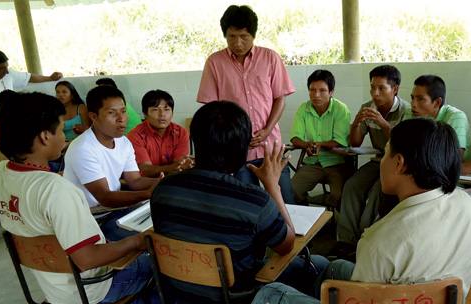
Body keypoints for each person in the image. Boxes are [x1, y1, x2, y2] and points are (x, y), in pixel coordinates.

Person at [246, 118, 471, 304]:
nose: (382, 161)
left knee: (268, 300)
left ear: (399, 163)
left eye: (384, 154)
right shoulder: (470, 208)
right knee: (334, 267)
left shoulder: (384, 238)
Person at [150, 101, 328, 304]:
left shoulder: (164, 190)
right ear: (243, 149)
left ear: (195, 142)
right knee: (320, 266)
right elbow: (287, 245)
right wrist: (273, 185)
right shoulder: (253, 200)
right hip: (238, 303)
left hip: (182, 297)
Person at [0, 90, 151, 304]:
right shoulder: (56, 189)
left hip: (53, 287)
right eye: (60, 129)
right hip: (94, 287)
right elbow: (87, 258)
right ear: (45, 136)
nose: (64, 137)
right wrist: (139, 241)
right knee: (164, 260)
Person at [197, 5, 296, 203]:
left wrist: (267, 129)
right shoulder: (214, 63)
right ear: (225, 35)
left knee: (285, 198)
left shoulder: (270, 58)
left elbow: (280, 98)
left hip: (271, 145)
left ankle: (291, 233)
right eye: (232, 36)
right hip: (237, 149)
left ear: (253, 35)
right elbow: (211, 109)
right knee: (249, 202)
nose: (238, 43)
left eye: (244, 36)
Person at [63, 85, 160, 241]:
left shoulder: (123, 142)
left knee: (164, 222)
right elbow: (105, 197)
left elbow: (135, 180)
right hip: (90, 217)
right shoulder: (82, 148)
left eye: (123, 111)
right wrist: (148, 194)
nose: (121, 119)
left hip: (115, 210)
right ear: (93, 116)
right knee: (151, 239)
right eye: (111, 113)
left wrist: (163, 183)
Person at [337, 64, 410, 247]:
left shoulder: (405, 111)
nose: (375, 93)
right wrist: (356, 123)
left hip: (398, 165)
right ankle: (346, 241)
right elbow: (355, 143)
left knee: (378, 190)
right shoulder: (367, 107)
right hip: (378, 161)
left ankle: (366, 240)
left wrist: (384, 124)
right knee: (352, 186)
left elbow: (404, 145)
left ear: (395, 89)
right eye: (372, 87)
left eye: (381, 88)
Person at [290, 70, 352, 208]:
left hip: (337, 164)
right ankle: (308, 218)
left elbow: (340, 140)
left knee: (338, 197)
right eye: (312, 90)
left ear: (331, 92)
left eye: (322, 90)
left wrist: (320, 145)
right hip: (313, 163)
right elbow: (295, 138)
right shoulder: (303, 108)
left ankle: (331, 224)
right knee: (291, 191)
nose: (316, 95)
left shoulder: (340, 109)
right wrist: (307, 145)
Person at [126, 89, 193, 177]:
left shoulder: (181, 133)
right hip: (147, 184)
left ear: (172, 113)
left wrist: (183, 164)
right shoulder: (135, 136)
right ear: (145, 114)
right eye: (155, 110)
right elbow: (145, 169)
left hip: (174, 180)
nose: (162, 114)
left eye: (167, 109)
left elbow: (180, 164)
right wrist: (171, 168)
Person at [408, 74, 471, 160]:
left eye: (420, 99)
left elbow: (453, 160)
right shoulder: (411, 113)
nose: (413, 104)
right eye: (412, 98)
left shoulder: (456, 117)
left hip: (455, 172)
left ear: (437, 102)